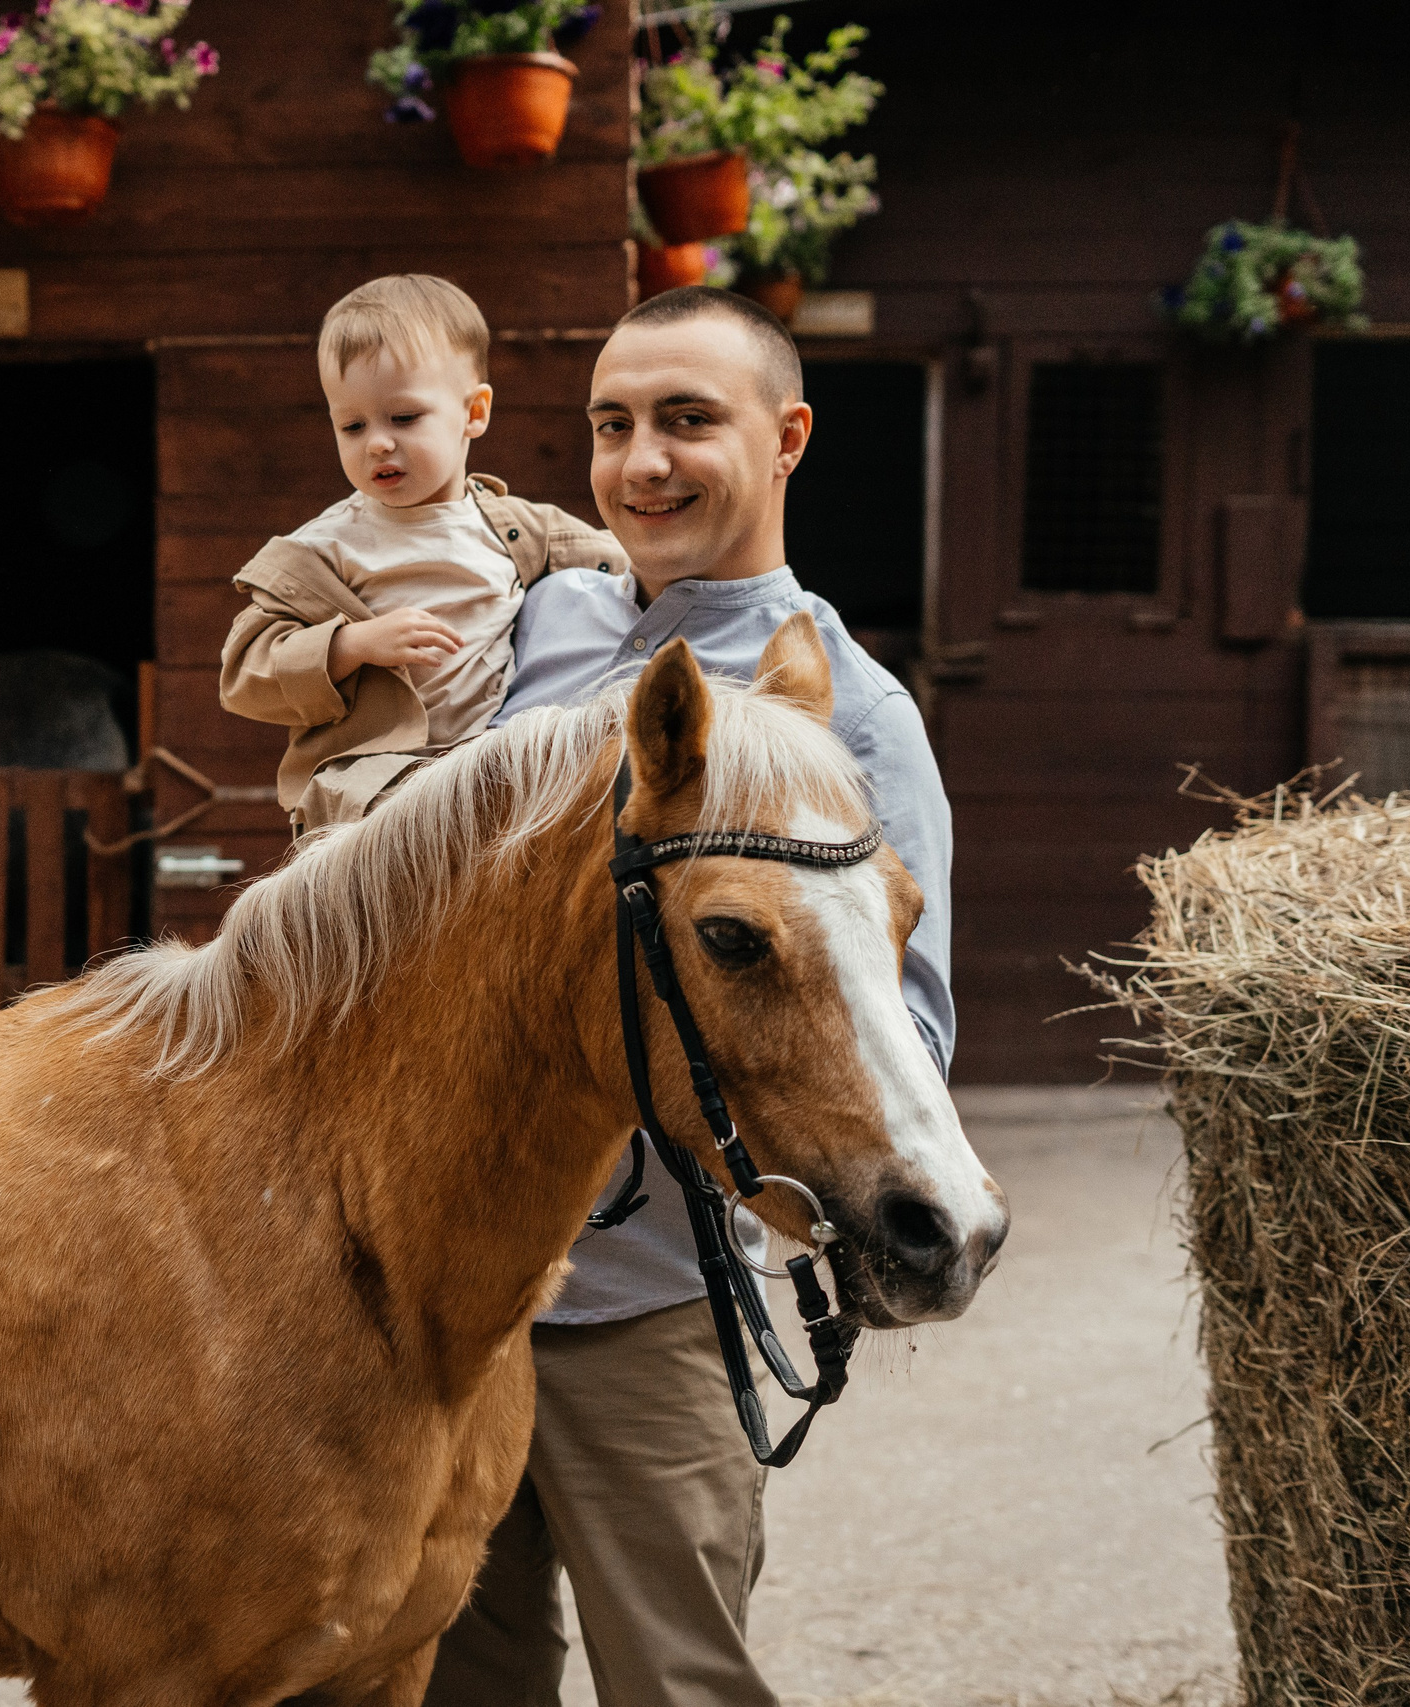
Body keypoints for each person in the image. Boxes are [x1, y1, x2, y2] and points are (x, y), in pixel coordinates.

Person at [422, 286, 956, 1707]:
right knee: (445, 1678)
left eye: (685, 420)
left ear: (786, 438)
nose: (641, 461)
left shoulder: (849, 710)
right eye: (613, 425)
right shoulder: (544, 625)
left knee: (676, 1678)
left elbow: (905, 1038)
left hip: (644, 1303)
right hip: (459, 1292)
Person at [218, 273, 628, 831]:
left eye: (403, 418)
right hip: (371, 789)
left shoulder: (514, 529)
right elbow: (245, 673)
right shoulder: (323, 550)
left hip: (487, 775)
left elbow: (623, 557)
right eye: (352, 425)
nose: (378, 442)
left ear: (474, 413)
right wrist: (352, 643)